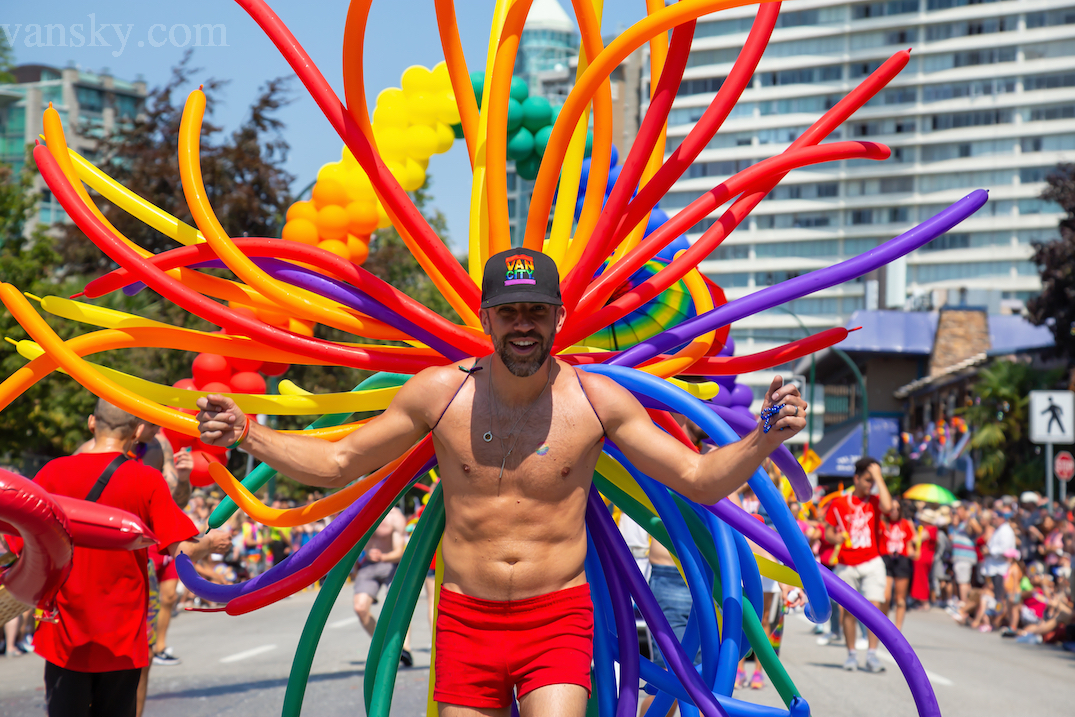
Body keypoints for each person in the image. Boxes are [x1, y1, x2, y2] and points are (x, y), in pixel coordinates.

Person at [196, 248, 808, 717]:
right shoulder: (440, 394)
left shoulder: (599, 401)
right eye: (509, 311)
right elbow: (337, 463)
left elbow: (698, 479)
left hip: (558, 616)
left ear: (558, 318)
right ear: (486, 316)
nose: (522, 325)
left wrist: (764, 437)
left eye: (536, 311)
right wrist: (248, 431)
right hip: (466, 619)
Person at [33, 399, 227, 717]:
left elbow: (18, 541)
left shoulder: (51, 473)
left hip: (63, 635)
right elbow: (181, 549)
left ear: (92, 423)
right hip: (122, 636)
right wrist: (209, 544)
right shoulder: (146, 480)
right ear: (138, 431)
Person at [823, 456, 893, 673]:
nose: (871, 484)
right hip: (846, 563)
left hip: (872, 561)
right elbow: (827, 532)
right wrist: (836, 539)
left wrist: (879, 477)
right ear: (856, 478)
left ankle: (872, 655)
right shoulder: (839, 503)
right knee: (847, 612)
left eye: (874, 480)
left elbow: (889, 507)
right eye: (867, 480)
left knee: (875, 611)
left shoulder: (874, 502)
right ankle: (851, 654)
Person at [351, 505, 409, 665]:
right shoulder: (362, 512)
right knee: (360, 608)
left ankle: (406, 649)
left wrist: (383, 557)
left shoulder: (395, 517)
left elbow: (399, 552)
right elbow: (353, 543)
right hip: (368, 565)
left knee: (399, 606)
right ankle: (385, 646)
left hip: (391, 563)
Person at [880, 499, 917, 632]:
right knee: (885, 596)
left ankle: (898, 628)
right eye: (892, 509)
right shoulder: (882, 523)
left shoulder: (905, 524)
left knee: (900, 599)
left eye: (897, 509)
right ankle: (884, 626)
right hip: (886, 559)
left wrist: (911, 523)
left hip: (902, 560)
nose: (894, 511)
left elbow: (913, 541)